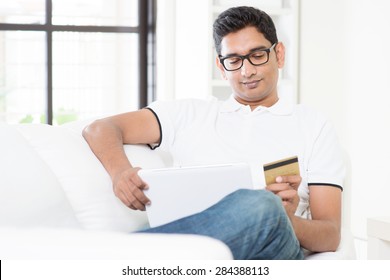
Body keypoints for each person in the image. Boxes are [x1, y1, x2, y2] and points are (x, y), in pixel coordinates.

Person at [82, 6, 345, 260]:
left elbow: (330, 236)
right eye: (234, 60)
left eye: (257, 55)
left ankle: (122, 257)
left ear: (279, 55)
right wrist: (120, 173)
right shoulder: (189, 114)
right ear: (221, 67)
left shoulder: (313, 125)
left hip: (275, 250)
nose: (246, 71)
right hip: (201, 253)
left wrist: (286, 219)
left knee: (265, 205)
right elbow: (100, 129)